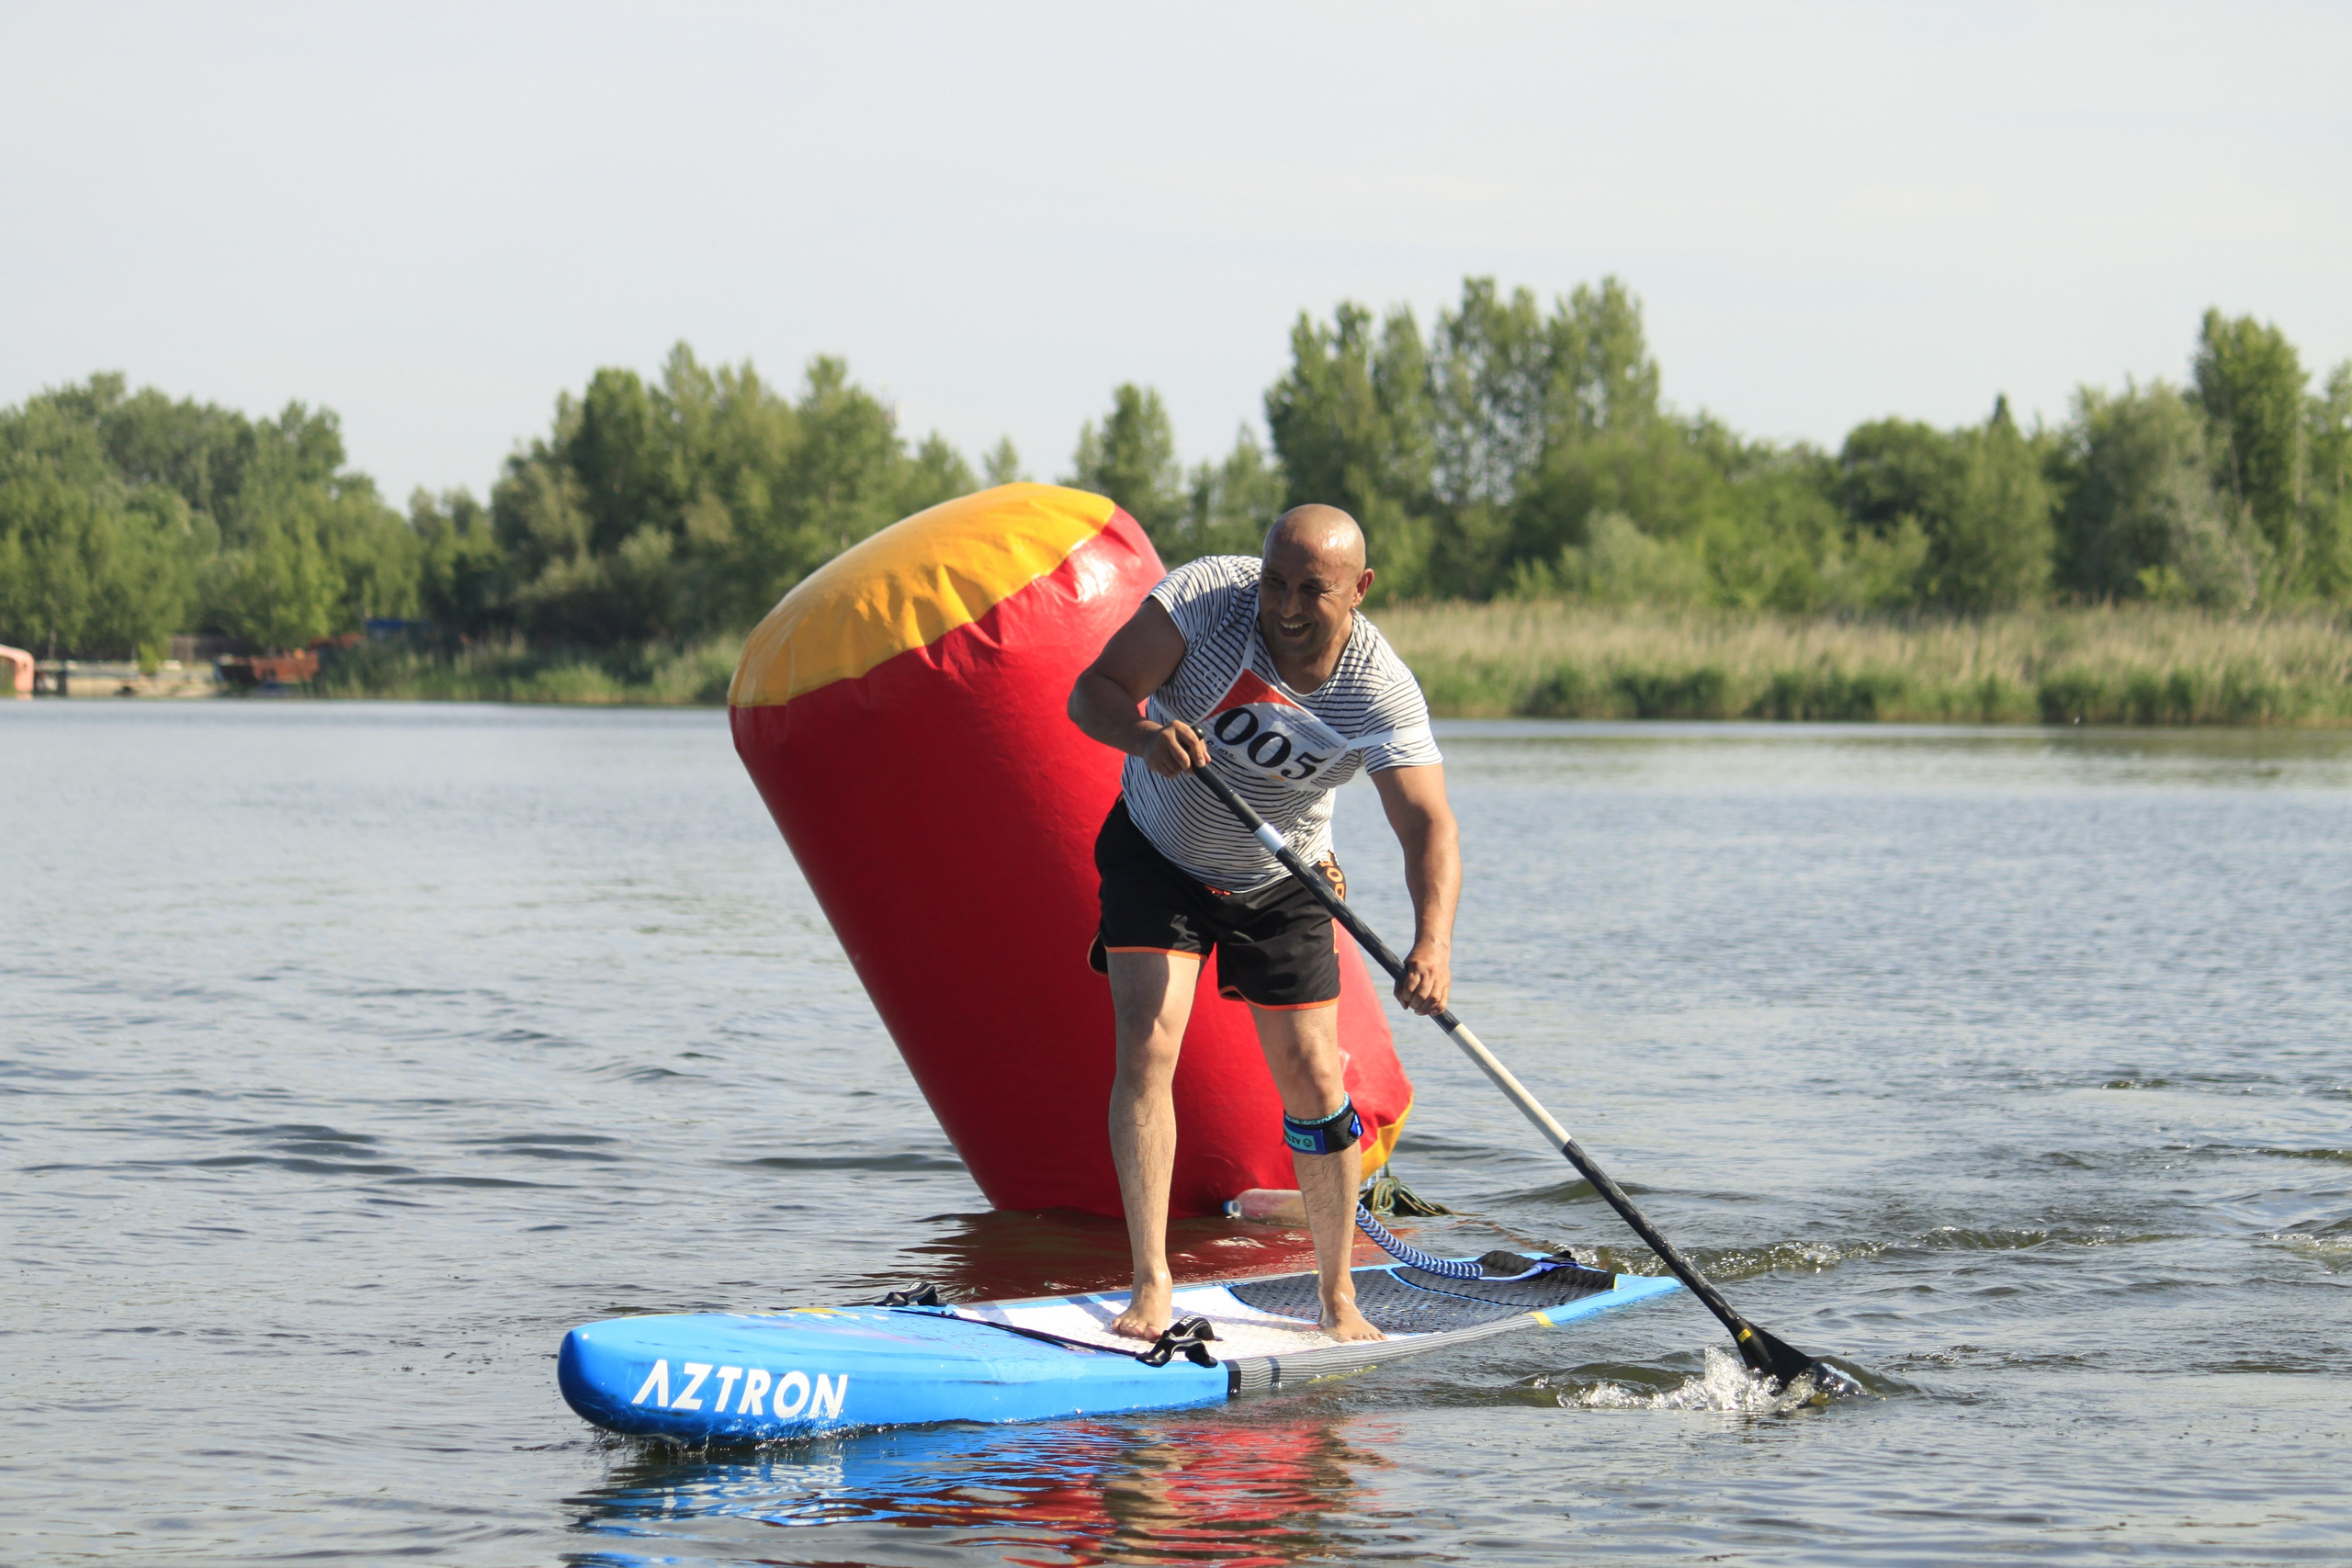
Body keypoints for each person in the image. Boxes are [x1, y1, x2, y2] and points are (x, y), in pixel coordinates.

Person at [1067, 503, 1462, 1343]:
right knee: (1147, 1040)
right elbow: (1089, 693)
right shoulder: (1207, 601)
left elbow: (1427, 824)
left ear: (1360, 589)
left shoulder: (1379, 689)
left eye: (1311, 591)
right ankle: (1152, 1280)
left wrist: (1431, 941)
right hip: (1157, 851)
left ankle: (1336, 1296)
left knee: (1316, 1082)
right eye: (1274, 581)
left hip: (1283, 874)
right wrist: (1141, 733)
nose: (1283, 606)